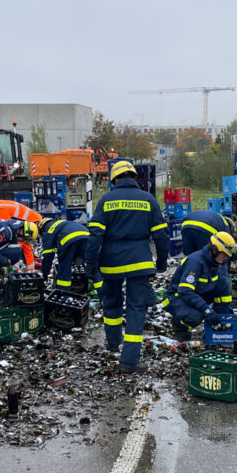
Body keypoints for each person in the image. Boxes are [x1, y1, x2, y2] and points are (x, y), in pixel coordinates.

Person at [85, 160, 170, 374]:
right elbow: (161, 235)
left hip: (111, 262)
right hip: (140, 262)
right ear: (134, 177)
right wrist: (161, 262)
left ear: (114, 179)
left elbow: (95, 235)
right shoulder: (148, 200)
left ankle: (113, 343)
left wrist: (90, 263)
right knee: (136, 309)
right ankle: (129, 361)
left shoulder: (106, 200)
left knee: (112, 303)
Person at [164, 231, 237, 341]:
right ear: (214, 249)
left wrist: (222, 318)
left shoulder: (217, 262)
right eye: (224, 254)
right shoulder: (195, 262)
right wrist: (206, 309)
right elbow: (185, 291)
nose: (225, 258)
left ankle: (215, 327)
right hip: (177, 297)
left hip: (199, 293)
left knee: (225, 282)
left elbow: (222, 288)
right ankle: (179, 326)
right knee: (194, 317)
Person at [39, 217, 93, 289]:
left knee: (64, 268)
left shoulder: (48, 230)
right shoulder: (65, 223)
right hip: (87, 238)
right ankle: (101, 292)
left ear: (42, 229)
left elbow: (48, 255)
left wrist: (45, 274)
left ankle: (63, 293)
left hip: (67, 241)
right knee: (92, 266)